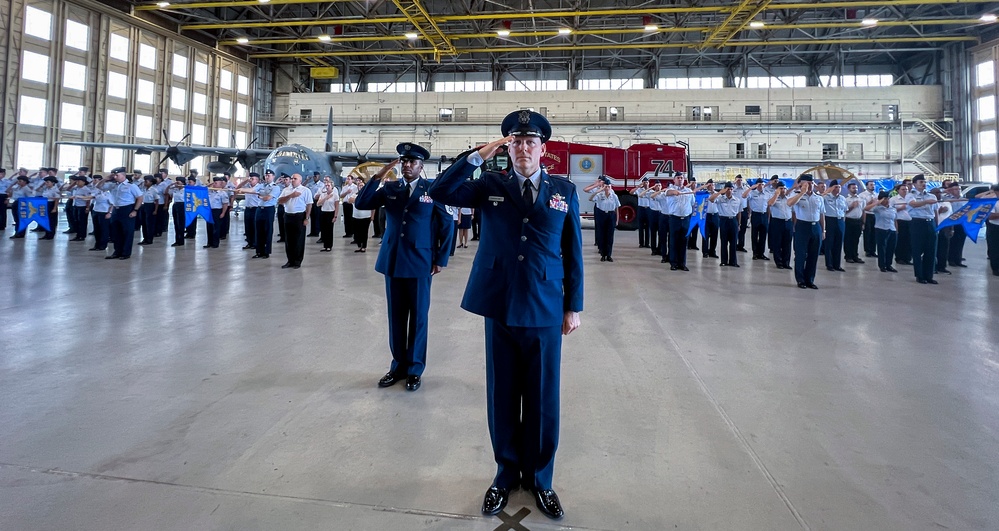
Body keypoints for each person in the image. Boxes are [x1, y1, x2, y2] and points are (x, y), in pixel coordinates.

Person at [429, 110, 583, 521]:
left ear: (543, 149)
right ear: (507, 148)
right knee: (502, 394)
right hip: (499, 302)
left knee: (543, 397)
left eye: (530, 142)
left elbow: (573, 252)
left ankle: (541, 479)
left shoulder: (564, 190)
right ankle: (504, 474)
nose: (523, 148)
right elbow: (441, 190)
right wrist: (478, 154)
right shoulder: (488, 185)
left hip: (546, 306)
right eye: (515, 142)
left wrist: (573, 305)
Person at [355, 143, 453, 392]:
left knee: (419, 318)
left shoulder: (432, 189)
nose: (407, 165)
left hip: (421, 262)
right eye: (404, 161)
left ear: (421, 166)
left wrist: (440, 259)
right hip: (394, 260)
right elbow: (362, 202)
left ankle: (415, 369)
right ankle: (397, 366)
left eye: (412, 162)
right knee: (396, 318)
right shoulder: (390, 188)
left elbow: (447, 224)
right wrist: (377, 176)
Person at [787, 174, 824, 289]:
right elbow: (789, 204)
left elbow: (822, 214)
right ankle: (800, 279)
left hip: (816, 226)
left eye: (811, 183)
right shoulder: (797, 196)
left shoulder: (819, 198)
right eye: (805, 183)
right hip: (802, 226)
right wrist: (802, 192)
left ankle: (810, 279)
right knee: (801, 254)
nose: (808, 185)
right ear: (801, 184)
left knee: (813, 255)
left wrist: (823, 230)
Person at [905, 174, 939, 284]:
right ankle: (919, 275)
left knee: (931, 250)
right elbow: (913, 204)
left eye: (924, 182)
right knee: (917, 250)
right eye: (920, 182)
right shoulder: (910, 195)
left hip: (930, 223)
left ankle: (929, 275)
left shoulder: (931, 196)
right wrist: (925, 202)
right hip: (917, 223)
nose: (923, 184)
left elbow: (935, 212)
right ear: (914, 184)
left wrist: (937, 226)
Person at [277, 173, 313, 268]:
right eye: (292, 178)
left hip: (299, 216)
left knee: (299, 239)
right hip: (288, 216)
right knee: (289, 240)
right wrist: (291, 195)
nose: (293, 180)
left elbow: (309, 204)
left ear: (300, 181)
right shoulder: (286, 190)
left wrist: (306, 218)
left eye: (295, 179)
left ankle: (297, 261)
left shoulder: (305, 190)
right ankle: (290, 260)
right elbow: (280, 201)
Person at [106, 167, 143, 259]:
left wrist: (135, 210)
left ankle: (125, 253)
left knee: (127, 232)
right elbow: (99, 187)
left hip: (127, 209)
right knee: (116, 232)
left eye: (117, 175)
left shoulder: (131, 186)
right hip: (116, 209)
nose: (115, 177)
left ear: (123, 175)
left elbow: (140, 198)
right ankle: (117, 252)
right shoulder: (113, 185)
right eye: (114, 175)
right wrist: (105, 179)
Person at [666, 177, 696, 270]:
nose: (680, 179)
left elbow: (692, 203)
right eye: (678, 178)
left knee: (684, 241)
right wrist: (675, 192)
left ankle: (682, 263)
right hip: (675, 218)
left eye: (682, 178)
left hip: (686, 219)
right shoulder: (670, 189)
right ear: (674, 180)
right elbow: (667, 193)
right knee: (674, 241)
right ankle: (673, 263)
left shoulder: (688, 191)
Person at [709, 182, 741, 267]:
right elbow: (711, 199)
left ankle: (733, 261)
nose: (729, 191)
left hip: (733, 220)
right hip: (724, 220)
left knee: (733, 242)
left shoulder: (737, 200)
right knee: (724, 241)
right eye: (727, 189)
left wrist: (739, 224)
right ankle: (724, 261)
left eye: (731, 189)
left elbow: (739, 212)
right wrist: (720, 192)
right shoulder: (720, 198)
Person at [865, 191, 898, 273]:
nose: (887, 200)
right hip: (881, 229)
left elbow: (895, 220)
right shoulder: (877, 208)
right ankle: (882, 265)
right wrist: (877, 202)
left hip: (892, 229)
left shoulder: (893, 208)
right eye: (885, 199)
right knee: (882, 248)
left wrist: (897, 230)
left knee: (891, 248)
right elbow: (866, 208)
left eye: (888, 198)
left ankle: (889, 265)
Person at [591, 177, 620, 262]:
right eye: (606, 187)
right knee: (602, 235)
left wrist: (617, 220)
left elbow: (617, 208)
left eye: (609, 187)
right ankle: (603, 255)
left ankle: (609, 255)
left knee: (610, 236)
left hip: (611, 216)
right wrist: (598, 191)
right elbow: (591, 199)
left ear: (611, 187)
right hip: (602, 215)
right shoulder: (600, 195)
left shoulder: (614, 196)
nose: (607, 188)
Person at [767, 181, 793, 270]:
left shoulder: (789, 198)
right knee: (777, 243)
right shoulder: (773, 198)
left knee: (787, 243)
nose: (783, 190)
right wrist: (776, 194)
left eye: (784, 188)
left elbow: (793, 212)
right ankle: (778, 262)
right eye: (781, 188)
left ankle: (786, 262)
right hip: (777, 222)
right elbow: (770, 204)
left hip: (788, 222)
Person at [742, 178, 770, 260]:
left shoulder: (767, 194)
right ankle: (755, 253)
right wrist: (751, 188)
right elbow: (744, 196)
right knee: (754, 235)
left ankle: (761, 253)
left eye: (762, 184)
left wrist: (768, 217)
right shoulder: (752, 193)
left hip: (764, 215)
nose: (761, 186)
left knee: (763, 235)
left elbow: (768, 206)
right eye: (759, 184)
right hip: (756, 215)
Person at [822, 179, 847, 271]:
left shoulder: (842, 198)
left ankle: (837, 264)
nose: (838, 188)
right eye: (836, 187)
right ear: (831, 188)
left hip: (840, 220)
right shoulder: (825, 197)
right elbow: (819, 201)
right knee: (829, 243)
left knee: (839, 243)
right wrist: (826, 192)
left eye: (839, 187)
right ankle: (829, 264)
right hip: (829, 220)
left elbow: (844, 211)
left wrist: (842, 222)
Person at [253, 170, 279, 259]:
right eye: (266, 175)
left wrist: (260, 196)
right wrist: (240, 189)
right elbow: (252, 190)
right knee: (258, 230)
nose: (267, 177)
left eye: (269, 175)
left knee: (267, 230)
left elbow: (267, 198)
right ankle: (259, 251)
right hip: (260, 209)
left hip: (269, 209)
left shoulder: (275, 187)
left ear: (273, 176)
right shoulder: (261, 186)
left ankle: (266, 252)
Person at [346, 177, 371, 252]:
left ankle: (364, 246)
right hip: (356, 216)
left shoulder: (368, 195)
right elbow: (350, 200)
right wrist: (358, 199)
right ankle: (359, 245)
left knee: (364, 232)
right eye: (359, 185)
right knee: (357, 232)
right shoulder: (355, 194)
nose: (361, 187)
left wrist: (372, 216)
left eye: (362, 185)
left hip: (366, 216)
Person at [843, 181, 865, 264]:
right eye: (853, 188)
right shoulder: (846, 200)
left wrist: (863, 222)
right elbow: (844, 212)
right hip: (849, 221)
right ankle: (848, 256)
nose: (855, 189)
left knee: (856, 239)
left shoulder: (861, 199)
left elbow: (863, 211)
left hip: (858, 221)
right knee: (848, 239)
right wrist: (852, 206)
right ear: (849, 189)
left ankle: (855, 255)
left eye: (856, 188)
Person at [204, 177, 230, 249]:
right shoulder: (210, 191)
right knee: (209, 227)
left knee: (216, 228)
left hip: (217, 211)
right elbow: (203, 189)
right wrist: (210, 184)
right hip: (209, 211)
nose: (214, 185)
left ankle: (215, 243)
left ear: (221, 184)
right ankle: (209, 242)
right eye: (214, 183)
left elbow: (225, 204)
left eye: (216, 183)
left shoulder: (222, 193)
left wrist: (223, 213)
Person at [316, 177, 340, 252]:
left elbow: (336, 206)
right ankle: (325, 245)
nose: (327, 187)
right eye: (326, 186)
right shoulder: (323, 195)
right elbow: (318, 204)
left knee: (329, 230)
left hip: (331, 213)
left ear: (332, 186)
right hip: (323, 212)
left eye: (328, 185)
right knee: (324, 229)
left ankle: (329, 245)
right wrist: (326, 197)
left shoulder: (335, 195)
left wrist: (335, 216)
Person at [891, 183, 913, 265]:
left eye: (906, 189)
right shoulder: (894, 199)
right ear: (898, 190)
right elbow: (890, 211)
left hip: (910, 221)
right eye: (903, 189)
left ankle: (907, 258)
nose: (905, 191)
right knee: (900, 240)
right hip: (900, 221)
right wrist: (900, 208)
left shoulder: (911, 199)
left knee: (909, 240)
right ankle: (899, 258)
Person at [240, 173, 261, 251]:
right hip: (248, 208)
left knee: (255, 226)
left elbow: (252, 191)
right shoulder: (247, 186)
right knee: (248, 226)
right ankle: (249, 242)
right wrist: (245, 181)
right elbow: (238, 188)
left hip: (256, 208)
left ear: (257, 180)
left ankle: (255, 243)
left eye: (252, 179)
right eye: (250, 179)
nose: (250, 180)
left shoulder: (259, 187)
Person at [68, 174, 92, 241]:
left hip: (82, 207)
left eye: (79, 181)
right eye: (77, 181)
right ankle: (78, 235)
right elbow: (68, 189)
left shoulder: (86, 189)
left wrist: (87, 208)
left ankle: (82, 236)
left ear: (84, 182)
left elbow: (88, 199)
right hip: (76, 206)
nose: (77, 182)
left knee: (82, 222)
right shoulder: (76, 188)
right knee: (76, 221)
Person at [982, 184, 999, 276]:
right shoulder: (992, 202)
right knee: (995, 249)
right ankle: (996, 268)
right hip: (995, 227)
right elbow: (990, 216)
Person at [137, 176, 159, 245]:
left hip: (150, 206)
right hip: (143, 206)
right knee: (143, 223)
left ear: (151, 182)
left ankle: (149, 239)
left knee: (149, 224)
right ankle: (145, 238)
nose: (145, 182)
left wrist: (155, 210)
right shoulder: (143, 189)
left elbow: (157, 201)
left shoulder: (154, 190)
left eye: (146, 181)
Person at [631, 177, 652, 248]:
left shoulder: (651, 191)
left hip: (648, 208)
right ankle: (641, 243)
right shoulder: (639, 190)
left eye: (647, 182)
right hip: (641, 208)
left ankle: (647, 243)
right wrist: (638, 186)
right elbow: (631, 192)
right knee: (640, 226)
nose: (646, 184)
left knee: (648, 227)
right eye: (644, 182)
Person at [701, 179, 720, 259]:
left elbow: (716, 201)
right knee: (705, 234)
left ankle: (712, 251)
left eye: (712, 185)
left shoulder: (717, 194)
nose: (711, 187)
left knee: (714, 234)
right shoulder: (703, 194)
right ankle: (705, 252)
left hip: (715, 215)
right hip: (706, 216)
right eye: (709, 185)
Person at [859, 180, 877, 258]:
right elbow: (861, 206)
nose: (872, 186)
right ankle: (868, 250)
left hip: (875, 214)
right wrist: (870, 202)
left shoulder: (877, 195)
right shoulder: (862, 195)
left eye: (873, 185)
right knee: (867, 232)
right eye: (871, 185)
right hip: (867, 214)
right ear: (867, 186)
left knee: (874, 233)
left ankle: (873, 250)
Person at [166, 177, 186, 247]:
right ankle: (177, 240)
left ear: (183, 182)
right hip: (175, 204)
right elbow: (166, 192)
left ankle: (181, 240)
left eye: (179, 181)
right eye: (176, 181)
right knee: (176, 223)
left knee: (181, 223)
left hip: (182, 205)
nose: (177, 182)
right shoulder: (174, 189)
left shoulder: (186, 189)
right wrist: (171, 185)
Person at [340, 175, 357, 240]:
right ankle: (347, 232)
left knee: (351, 218)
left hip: (352, 204)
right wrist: (347, 192)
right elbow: (341, 195)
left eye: (349, 179)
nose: (348, 180)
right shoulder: (344, 187)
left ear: (352, 180)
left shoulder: (355, 187)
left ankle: (352, 232)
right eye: (347, 179)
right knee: (346, 218)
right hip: (345, 203)